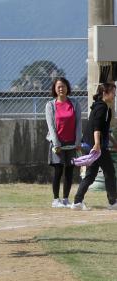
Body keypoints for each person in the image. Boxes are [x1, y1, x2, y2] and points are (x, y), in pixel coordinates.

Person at [72, 82, 117, 211]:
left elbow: (103, 129)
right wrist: (97, 144)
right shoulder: (102, 107)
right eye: (113, 92)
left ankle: (77, 202)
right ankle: (113, 202)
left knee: (91, 175)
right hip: (96, 147)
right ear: (104, 93)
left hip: (93, 145)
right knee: (109, 172)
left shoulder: (103, 107)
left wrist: (113, 142)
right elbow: (96, 127)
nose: (114, 95)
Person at [45, 77, 82, 208]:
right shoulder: (50, 105)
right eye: (58, 86)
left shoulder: (75, 103)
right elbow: (51, 126)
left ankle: (66, 199)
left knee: (69, 171)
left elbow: (78, 124)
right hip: (57, 144)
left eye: (64, 86)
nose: (61, 89)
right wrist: (56, 144)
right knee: (58, 170)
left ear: (67, 88)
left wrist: (78, 141)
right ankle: (56, 199)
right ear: (55, 89)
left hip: (71, 143)